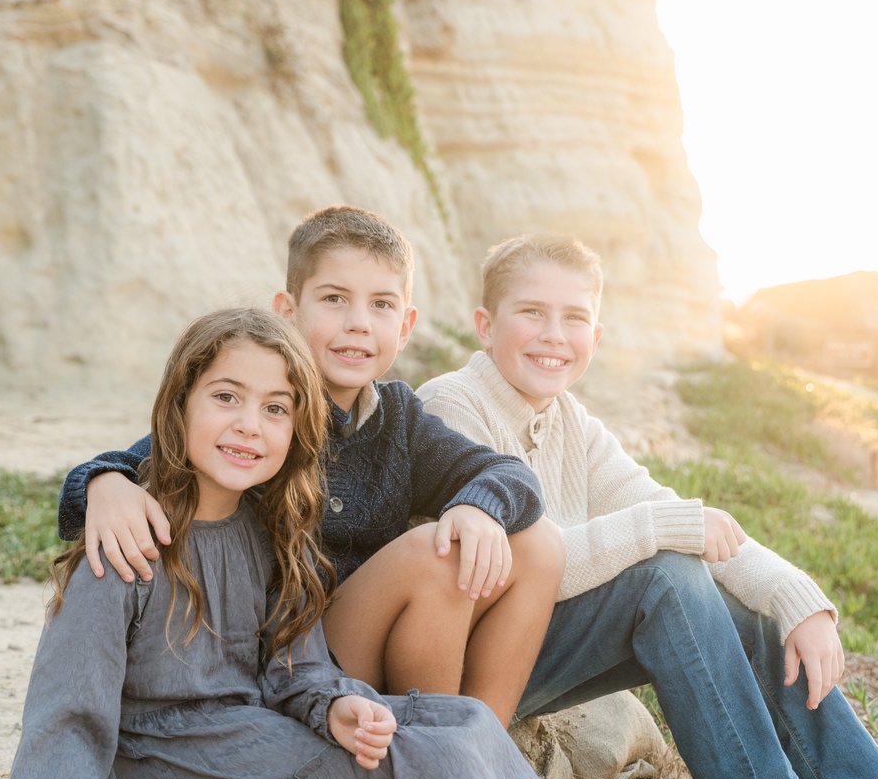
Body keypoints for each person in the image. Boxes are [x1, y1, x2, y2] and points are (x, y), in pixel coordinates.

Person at [10, 306, 740, 779]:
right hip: (180, 765)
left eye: (276, 407)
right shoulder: (125, 546)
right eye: (225, 397)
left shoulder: (267, 527)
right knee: (426, 763)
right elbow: (60, 723)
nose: (248, 425)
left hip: (259, 734)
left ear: (297, 427)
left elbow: (295, 666)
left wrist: (336, 707)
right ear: (177, 405)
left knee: (460, 720)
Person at [416, 235, 878, 779]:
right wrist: (664, 526)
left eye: (574, 317)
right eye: (532, 312)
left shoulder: (572, 423)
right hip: (472, 661)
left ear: (596, 331)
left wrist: (799, 599)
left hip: (541, 645)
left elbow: (671, 513)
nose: (554, 335)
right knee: (667, 573)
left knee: (745, 601)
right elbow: (528, 562)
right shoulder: (450, 405)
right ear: (485, 323)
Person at [58, 206, 564, 726]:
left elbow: (509, 474)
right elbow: (123, 466)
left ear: (406, 326)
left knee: (540, 544)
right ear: (287, 310)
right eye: (334, 299)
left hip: (373, 639)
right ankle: (436, 744)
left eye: (382, 304)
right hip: (291, 658)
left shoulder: (399, 418)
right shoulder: (262, 411)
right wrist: (104, 483)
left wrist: (478, 507)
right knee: (437, 555)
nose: (358, 324)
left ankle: (485, 733)